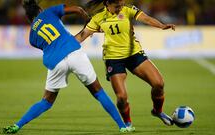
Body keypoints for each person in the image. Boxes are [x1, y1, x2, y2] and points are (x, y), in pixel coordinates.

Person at [2, 0, 129, 133]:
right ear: (40, 10)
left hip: (55, 61)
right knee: (98, 92)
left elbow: (48, 45)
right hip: (73, 51)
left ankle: (17, 125)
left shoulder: (31, 38)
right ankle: (122, 126)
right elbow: (78, 9)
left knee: (46, 102)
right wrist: (87, 20)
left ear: (29, 19)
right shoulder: (49, 12)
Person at [75, 0, 176, 130]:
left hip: (134, 54)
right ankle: (127, 123)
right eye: (117, 6)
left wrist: (161, 26)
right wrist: (63, 45)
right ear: (107, 4)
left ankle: (157, 111)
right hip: (113, 58)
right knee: (122, 97)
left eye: (122, 4)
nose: (120, 7)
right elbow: (82, 35)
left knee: (159, 84)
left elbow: (146, 19)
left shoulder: (127, 9)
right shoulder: (98, 17)